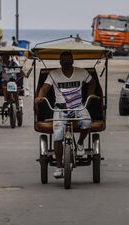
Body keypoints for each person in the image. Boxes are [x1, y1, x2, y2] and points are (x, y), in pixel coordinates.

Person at [35, 51, 96, 179]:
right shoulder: (53, 74)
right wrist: (40, 97)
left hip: (77, 106)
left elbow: (92, 82)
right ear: (60, 62)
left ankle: (80, 143)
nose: (67, 62)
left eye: (69, 60)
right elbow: (45, 88)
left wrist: (89, 96)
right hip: (60, 108)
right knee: (57, 135)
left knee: (86, 122)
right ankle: (58, 166)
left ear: (73, 61)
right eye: (64, 60)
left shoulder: (81, 72)